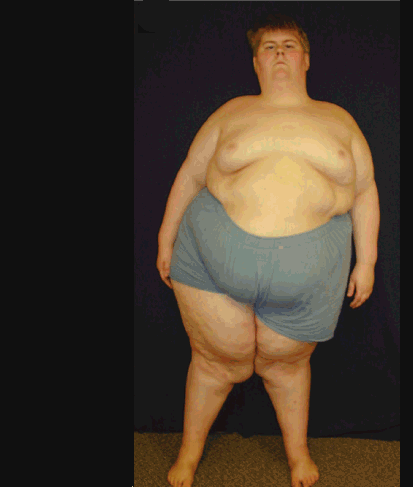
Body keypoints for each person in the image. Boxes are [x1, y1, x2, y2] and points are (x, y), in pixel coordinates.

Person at [157, 13, 380, 487]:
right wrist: (165, 237)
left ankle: (298, 455)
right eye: (268, 47)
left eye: (289, 45)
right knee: (214, 362)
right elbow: (191, 174)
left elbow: (365, 192)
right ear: (256, 63)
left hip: (311, 272)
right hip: (211, 260)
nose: (279, 53)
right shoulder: (231, 112)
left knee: (287, 367)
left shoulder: (339, 119)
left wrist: (368, 260)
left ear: (306, 59)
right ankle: (188, 455)